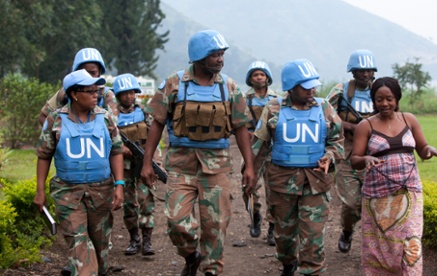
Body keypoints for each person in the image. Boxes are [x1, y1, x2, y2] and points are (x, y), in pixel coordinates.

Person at [140, 30, 255, 276]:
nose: (220, 59)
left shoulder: (230, 87)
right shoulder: (174, 83)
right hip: (181, 167)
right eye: (214, 55)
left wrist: (250, 166)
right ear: (199, 56)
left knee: (216, 225)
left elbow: (241, 127)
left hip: (217, 169)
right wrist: (147, 162)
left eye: (222, 54)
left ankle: (211, 270)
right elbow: (157, 122)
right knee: (176, 222)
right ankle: (192, 255)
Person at [250, 59, 343, 276]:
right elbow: (260, 145)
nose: (312, 89)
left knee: (313, 237)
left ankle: (311, 270)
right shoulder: (273, 108)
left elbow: (337, 141)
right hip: (282, 184)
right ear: (291, 86)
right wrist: (250, 174)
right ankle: (288, 263)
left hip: (316, 182)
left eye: (313, 85)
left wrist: (330, 156)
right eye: (305, 86)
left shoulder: (324, 107)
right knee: (284, 237)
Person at [350, 77, 437, 275]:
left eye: (389, 98)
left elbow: (422, 149)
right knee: (379, 245)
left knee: (411, 241)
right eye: (379, 99)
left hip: (409, 192)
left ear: (397, 99)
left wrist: (430, 149)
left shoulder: (409, 119)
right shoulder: (366, 126)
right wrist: (366, 158)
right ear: (374, 100)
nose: (385, 103)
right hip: (377, 197)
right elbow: (354, 159)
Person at [33, 69, 125, 275]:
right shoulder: (54, 121)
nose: (96, 95)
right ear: (74, 94)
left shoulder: (106, 119)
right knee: (80, 246)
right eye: (90, 91)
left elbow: (117, 151)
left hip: (101, 193)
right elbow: (44, 155)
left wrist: (119, 184)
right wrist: (40, 191)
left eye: (97, 91)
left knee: (101, 248)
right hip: (68, 194)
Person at [325, 49, 377, 253]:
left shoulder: (379, 90)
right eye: (361, 71)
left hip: (373, 152)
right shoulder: (341, 90)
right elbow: (326, 115)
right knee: (352, 203)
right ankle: (347, 231)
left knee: (373, 202)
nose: (365, 75)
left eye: (369, 71)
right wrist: (348, 126)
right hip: (346, 151)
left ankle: (372, 244)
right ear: (353, 72)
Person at [112, 73, 163, 256]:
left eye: (131, 92)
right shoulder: (112, 116)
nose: (128, 96)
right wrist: (120, 149)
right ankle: (134, 239)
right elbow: (107, 139)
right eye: (124, 93)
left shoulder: (144, 113)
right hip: (123, 166)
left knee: (146, 200)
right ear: (118, 95)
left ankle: (147, 241)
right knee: (128, 203)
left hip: (143, 163)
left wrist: (156, 162)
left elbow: (154, 139)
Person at [242, 61, 277, 245]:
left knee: (273, 189)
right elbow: (238, 124)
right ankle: (255, 216)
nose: (259, 78)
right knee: (249, 186)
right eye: (255, 75)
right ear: (250, 78)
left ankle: (272, 228)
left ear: (267, 77)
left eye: (262, 74)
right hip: (252, 149)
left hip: (271, 149)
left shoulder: (276, 99)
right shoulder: (243, 99)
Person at [38, 47, 118, 125]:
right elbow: (43, 116)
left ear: (99, 73)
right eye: (85, 73)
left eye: (93, 73)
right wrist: (58, 134)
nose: (89, 77)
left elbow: (113, 126)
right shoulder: (65, 93)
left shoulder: (107, 95)